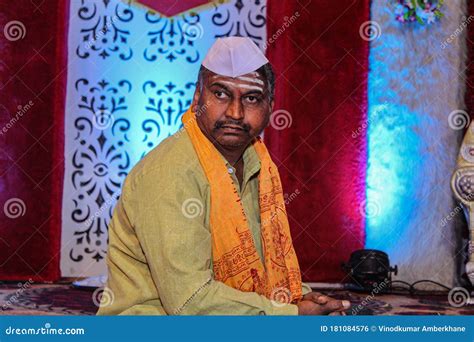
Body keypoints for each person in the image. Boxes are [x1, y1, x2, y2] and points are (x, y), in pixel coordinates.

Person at [97, 37, 351, 315]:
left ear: (270, 106)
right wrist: (291, 315)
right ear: (197, 98)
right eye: (220, 94)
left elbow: (257, 266)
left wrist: (301, 297)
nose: (235, 112)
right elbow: (189, 301)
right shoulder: (171, 172)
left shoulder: (257, 164)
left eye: (251, 98)